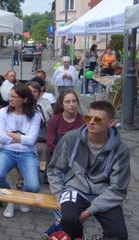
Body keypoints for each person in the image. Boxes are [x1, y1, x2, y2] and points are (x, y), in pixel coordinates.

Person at [47, 101, 130, 240]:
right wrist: (58, 193)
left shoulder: (121, 150)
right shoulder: (72, 138)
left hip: (104, 193)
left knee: (119, 235)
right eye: (88, 118)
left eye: (97, 119)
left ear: (111, 123)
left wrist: (89, 212)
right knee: (69, 219)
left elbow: (117, 189)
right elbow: (55, 168)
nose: (91, 122)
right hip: (75, 189)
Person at [0, 84, 42, 218]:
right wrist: (22, 138)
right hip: (7, 151)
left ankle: (21, 197)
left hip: (28, 153)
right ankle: (10, 200)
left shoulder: (35, 115)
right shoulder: (4, 111)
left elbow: (31, 141)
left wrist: (11, 135)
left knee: (34, 186)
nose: (10, 99)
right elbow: (0, 137)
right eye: (10, 96)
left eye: (14, 97)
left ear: (25, 99)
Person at [46, 90, 83, 169]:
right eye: (67, 102)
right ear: (61, 105)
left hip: (77, 159)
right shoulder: (54, 120)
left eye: (74, 101)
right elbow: (50, 144)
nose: (72, 104)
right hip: (57, 157)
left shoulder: (83, 121)